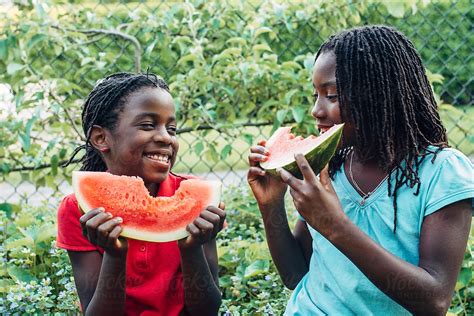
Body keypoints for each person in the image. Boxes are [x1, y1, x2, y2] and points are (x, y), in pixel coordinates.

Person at [248, 25, 473, 315]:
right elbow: (294, 276)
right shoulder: (331, 168)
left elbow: (434, 301)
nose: (316, 110)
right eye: (315, 95)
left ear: (379, 95)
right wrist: (271, 205)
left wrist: (335, 226)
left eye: (331, 96)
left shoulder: (441, 172)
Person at [56, 73, 225, 315]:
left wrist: (191, 248)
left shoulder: (196, 201)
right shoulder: (78, 209)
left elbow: (207, 310)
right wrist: (115, 254)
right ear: (101, 138)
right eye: (147, 125)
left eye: (172, 128)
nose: (166, 137)